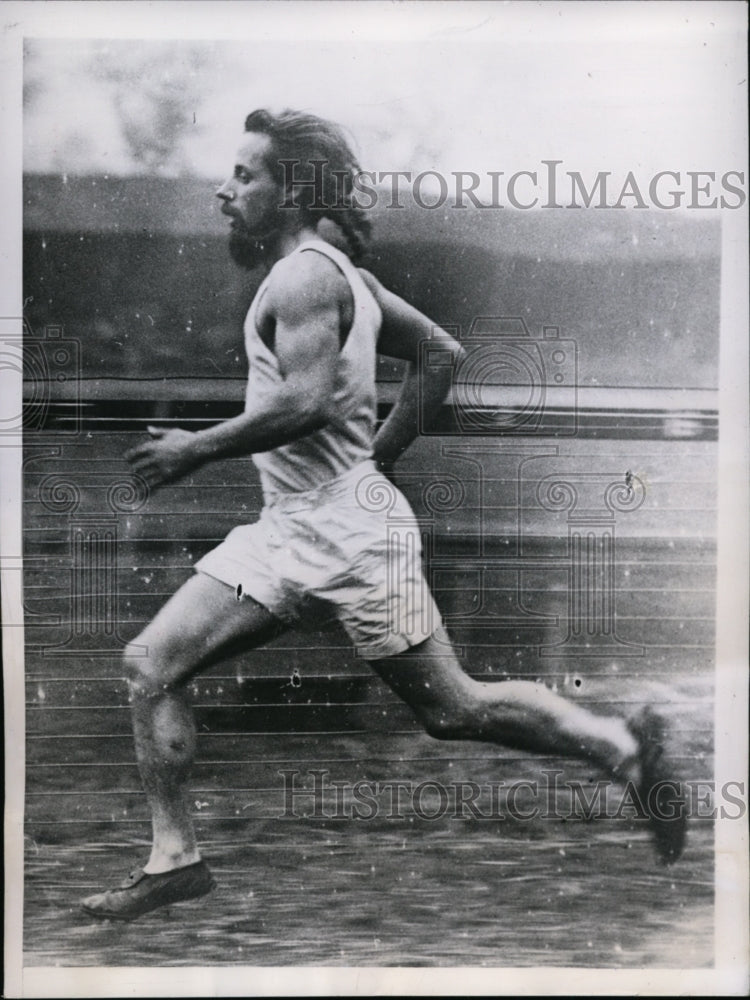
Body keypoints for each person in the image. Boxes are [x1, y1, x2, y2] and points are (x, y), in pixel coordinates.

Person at [81, 109, 686, 920]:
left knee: (453, 710)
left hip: (354, 539)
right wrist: (381, 456)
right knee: (149, 664)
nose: (224, 192)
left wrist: (196, 448)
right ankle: (174, 858)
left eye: (243, 176)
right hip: (290, 527)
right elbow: (441, 353)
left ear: (290, 189)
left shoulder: (305, 277)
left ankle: (622, 750)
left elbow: (305, 401)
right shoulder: (339, 275)